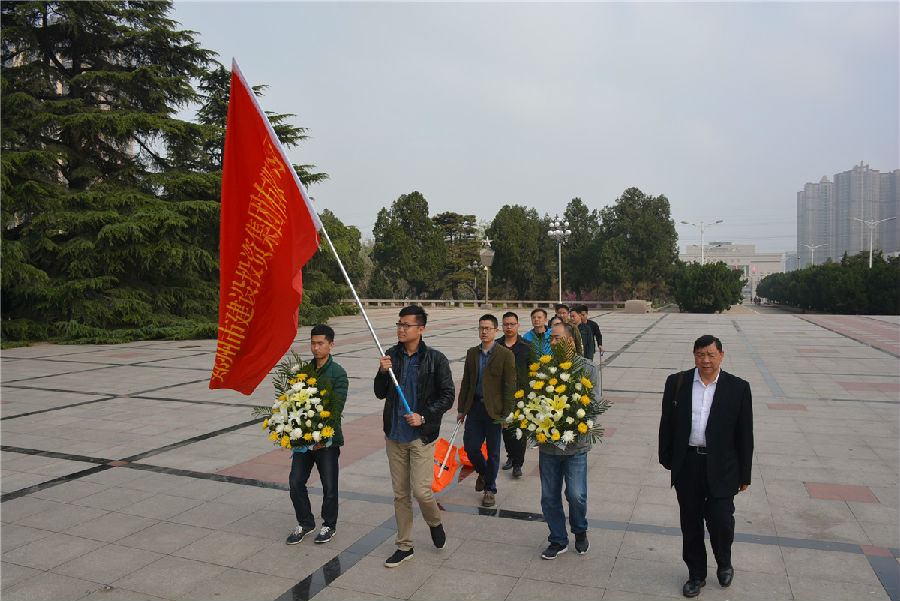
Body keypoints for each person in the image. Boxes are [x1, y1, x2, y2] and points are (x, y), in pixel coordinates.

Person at [658, 335, 753, 598]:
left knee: (721, 520)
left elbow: (745, 434)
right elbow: (667, 422)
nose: (706, 360)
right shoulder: (677, 382)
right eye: (701, 354)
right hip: (688, 463)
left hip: (723, 466)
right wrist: (668, 457)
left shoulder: (738, 388)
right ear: (694, 355)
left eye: (711, 354)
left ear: (721, 355)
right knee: (691, 522)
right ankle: (696, 574)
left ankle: (724, 562)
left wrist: (745, 473)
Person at [375, 305, 455, 567]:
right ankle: (405, 546)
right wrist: (382, 372)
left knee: (421, 491)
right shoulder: (391, 356)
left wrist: (424, 416)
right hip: (395, 434)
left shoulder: (436, 359)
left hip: (420, 436)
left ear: (420, 329)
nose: (401, 329)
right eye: (399, 324)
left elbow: (447, 395)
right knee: (401, 494)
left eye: (406, 325)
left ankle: (434, 522)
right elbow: (380, 392)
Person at [538, 322, 600, 560]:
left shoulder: (588, 368)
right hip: (549, 446)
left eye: (556, 338)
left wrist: (571, 423)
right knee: (549, 496)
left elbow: (593, 405)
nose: (552, 342)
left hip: (576, 445)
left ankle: (580, 530)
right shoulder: (543, 368)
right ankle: (557, 539)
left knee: (576, 494)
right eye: (551, 339)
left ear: (570, 342)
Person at [286, 324, 348, 545]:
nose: (315, 348)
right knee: (295, 482)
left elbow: (336, 408)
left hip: (327, 442)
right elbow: (294, 402)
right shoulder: (304, 372)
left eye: (320, 343)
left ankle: (329, 525)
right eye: (313, 343)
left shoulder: (338, 373)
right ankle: (305, 523)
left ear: (331, 345)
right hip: (303, 441)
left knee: (329, 486)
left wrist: (322, 437)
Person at [456, 314, 517, 507]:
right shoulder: (472, 353)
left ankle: (490, 489)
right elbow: (466, 383)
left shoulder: (505, 355)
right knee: (471, 447)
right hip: (475, 408)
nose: (484, 332)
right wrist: (461, 409)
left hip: (495, 411)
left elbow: (510, 386)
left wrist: (507, 413)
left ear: (496, 331)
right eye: (481, 328)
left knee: (493, 452)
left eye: (488, 328)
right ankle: (483, 473)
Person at [497, 311, 530, 478]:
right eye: (506, 324)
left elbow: (533, 370)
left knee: (521, 429)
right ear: (502, 326)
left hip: (522, 394)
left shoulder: (526, 346)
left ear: (518, 325)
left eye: (512, 324)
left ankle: (518, 463)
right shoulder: (496, 346)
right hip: (502, 394)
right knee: (506, 429)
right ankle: (510, 456)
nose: (509, 327)